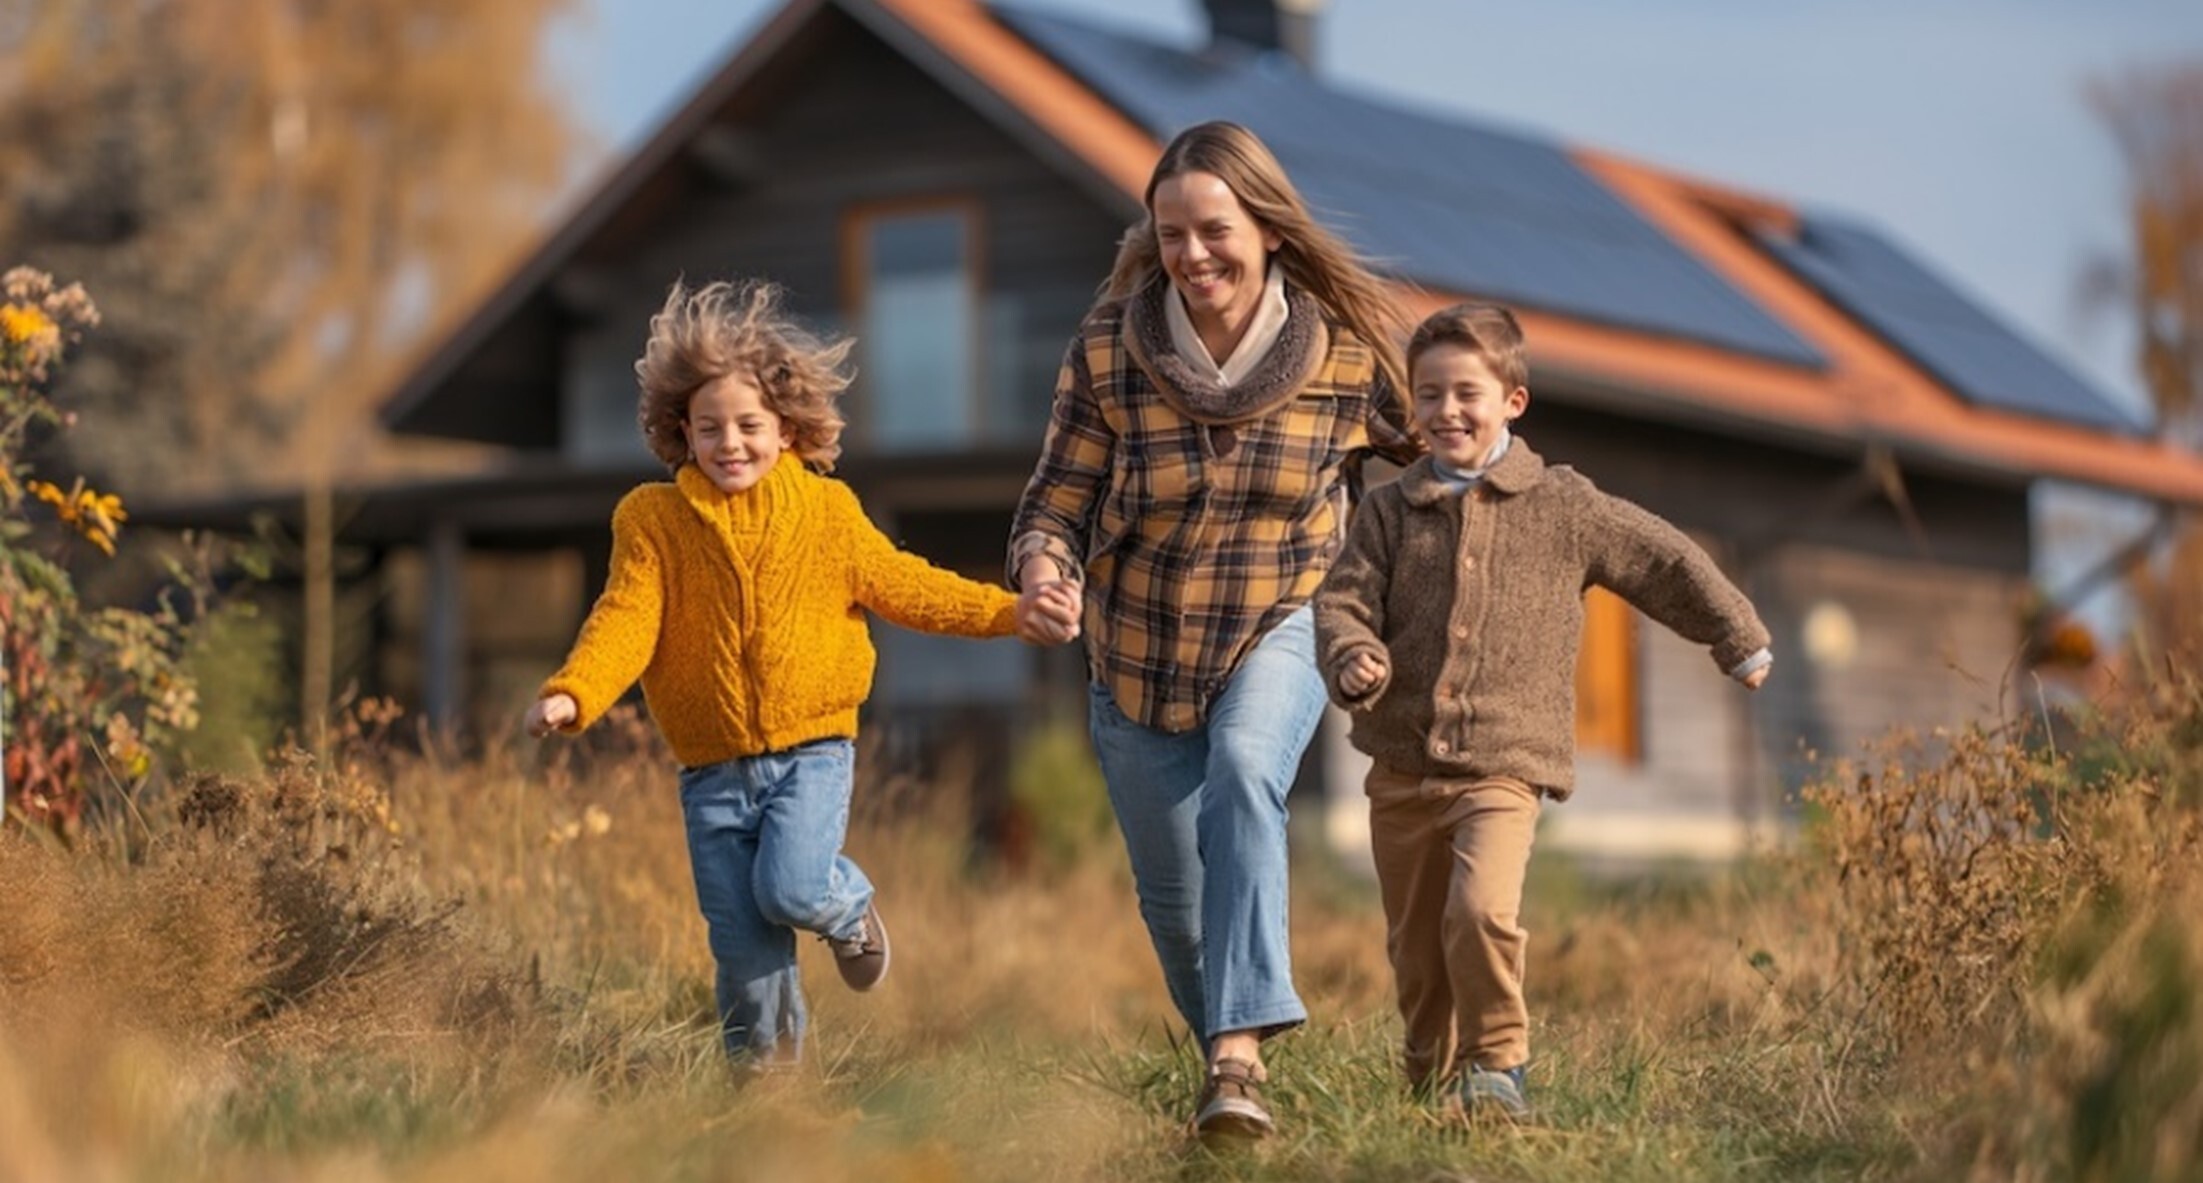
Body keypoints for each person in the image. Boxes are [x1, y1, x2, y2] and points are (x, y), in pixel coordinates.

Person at [526, 278, 1073, 1069]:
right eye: (708, 427)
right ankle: (771, 1100)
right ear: (681, 429)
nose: (730, 443)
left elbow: (909, 586)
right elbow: (625, 618)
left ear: (785, 429)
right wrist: (573, 690)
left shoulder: (828, 514)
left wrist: (1008, 611)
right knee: (744, 952)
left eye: (749, 425)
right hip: (710, 773)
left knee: (789, 889)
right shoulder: (651, 520)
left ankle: (848, 908)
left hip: (811, 756)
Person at [1007, 120, 1423, 1140]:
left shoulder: (1343, 352)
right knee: (1180, 916)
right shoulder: (1112, 345)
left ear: (1270, 230)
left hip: (1284, 619)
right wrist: (1043, 570)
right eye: (1172, 235)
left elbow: (1439, 459)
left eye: (1214, 231)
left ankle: (1238, 1053)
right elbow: (1054, 501)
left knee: (1246, 767)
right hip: (1138, 655)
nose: (1193, 256)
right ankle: (1231, 1090)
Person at [1312, 303, 1772, 1120]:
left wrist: (1733, 635)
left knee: (1480, 911)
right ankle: (1427, 1076)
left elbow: (1661, 559)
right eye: (1427, 394)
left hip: (1503, 767)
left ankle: (1497, 1065)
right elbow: (1342, 601)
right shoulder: (1389, 511)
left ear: (1512, 401)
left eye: (1465, 392)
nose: (1445, 411)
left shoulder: (1562, 504)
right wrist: (1353, 653)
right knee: (1416, 955)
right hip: (1399, 769)